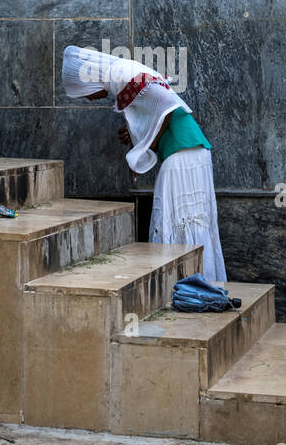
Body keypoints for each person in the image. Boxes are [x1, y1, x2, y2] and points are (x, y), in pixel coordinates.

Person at [61, 46, 226, 282]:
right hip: (191, 150)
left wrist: (146, 147)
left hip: (182, 156)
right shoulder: (121, 75)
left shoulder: (121, 75)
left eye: (84, 93)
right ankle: (197, 283)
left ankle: (187, 285)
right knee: (188, 221)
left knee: (175, 221)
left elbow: (167, 105)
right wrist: (138, 135)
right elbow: (155, 111)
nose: (88, 98)